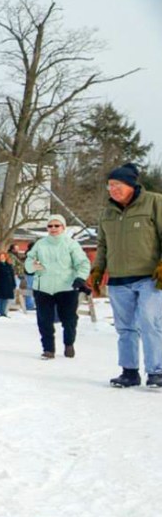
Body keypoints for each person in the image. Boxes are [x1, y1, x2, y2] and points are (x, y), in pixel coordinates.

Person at [90, 163, 162, 388]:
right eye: (109, 185)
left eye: (117, 185)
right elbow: (102, 245)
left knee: (150, 322)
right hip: (119, 280)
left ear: (131, 185)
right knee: (125, 327)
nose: (112, 189)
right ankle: (129, 372)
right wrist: (97, 271)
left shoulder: (154, 202)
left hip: (149, 277)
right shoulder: (107, 213)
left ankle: (156, 372)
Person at [24, 215, 91, 359]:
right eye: (50, 226)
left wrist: (80, 277)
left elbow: (83, 263)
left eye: (57, 226)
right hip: (43, 287)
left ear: (63, 227)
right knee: (44, 319)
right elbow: (28, 261)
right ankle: (48, 349)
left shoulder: (71, 244)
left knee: (69, 319)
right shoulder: (40, 244)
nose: (53, 229)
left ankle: (69, 344)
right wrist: (32, 266)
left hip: (66, 287)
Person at [0, 252, 16, 317]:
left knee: (5, 299)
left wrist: (13, 284)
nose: (2, 258)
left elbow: (12, 275)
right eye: (1, 256)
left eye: (3, 256)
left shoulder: (8, 265)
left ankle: (3, 312)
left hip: (7, 285)